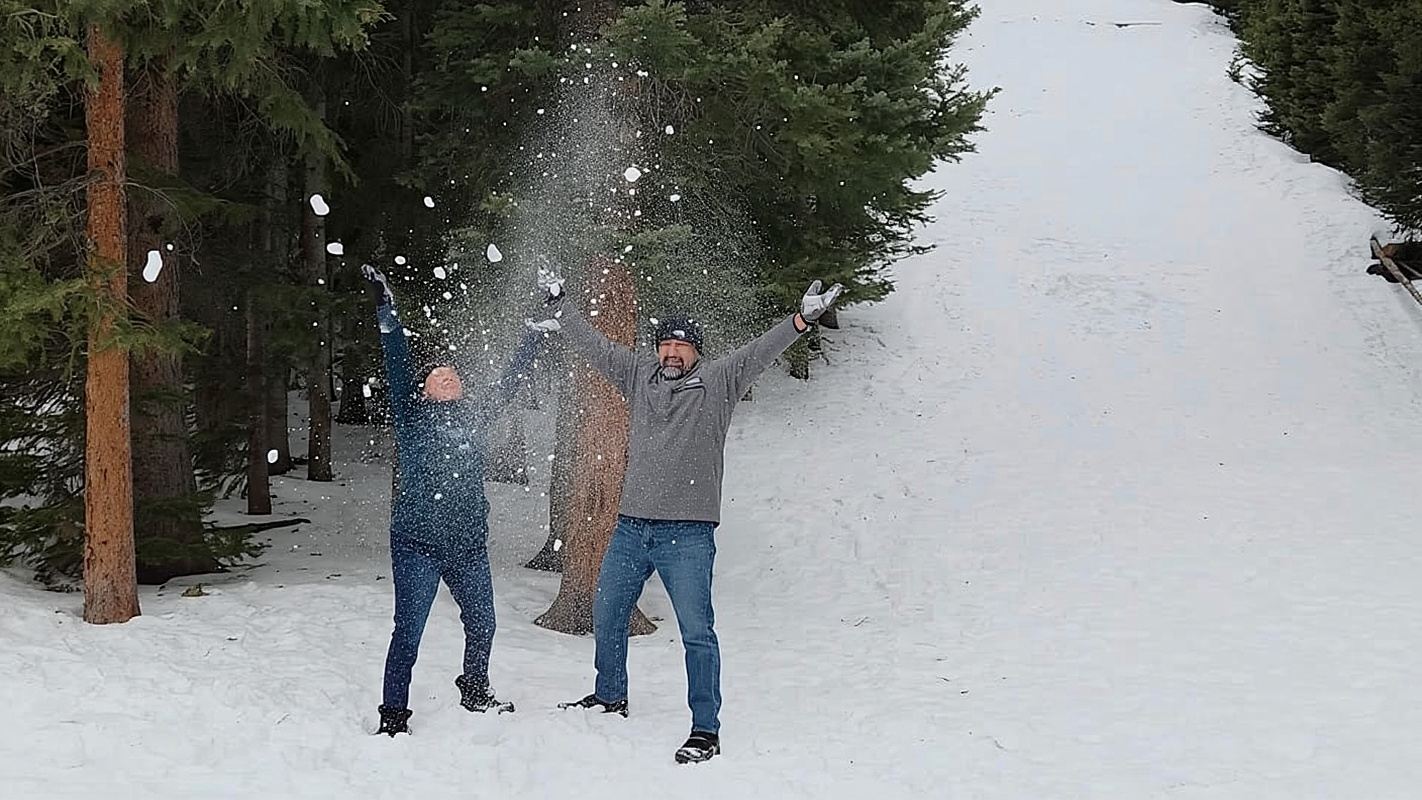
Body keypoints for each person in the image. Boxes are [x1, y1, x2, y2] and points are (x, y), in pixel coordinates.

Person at [544, 270, 843, 763]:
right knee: (607, 611)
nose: (673, 353)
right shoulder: (639, 374)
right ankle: (609, 695)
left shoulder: (719, 381)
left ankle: (705, 728)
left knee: (697, 632)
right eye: (667, 345)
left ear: (696, 352)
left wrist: (800, 321)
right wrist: (560, 308)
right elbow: (596, 348)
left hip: (688, 534)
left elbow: (760, 352)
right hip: (631, 526)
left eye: (682, 346)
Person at [363, 264, 561, 736]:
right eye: (437, 374)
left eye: (453, 374)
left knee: (484, 625)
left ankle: (474, 687)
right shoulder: (412, 419)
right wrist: (386, 311)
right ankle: (393, 717)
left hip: (468, 547)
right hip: (416, 544)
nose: (446, 376)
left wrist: (532, 332)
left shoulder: (475, 415)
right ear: (425, 388)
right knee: (407, 634)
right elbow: (396, 360)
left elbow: (512, 378)